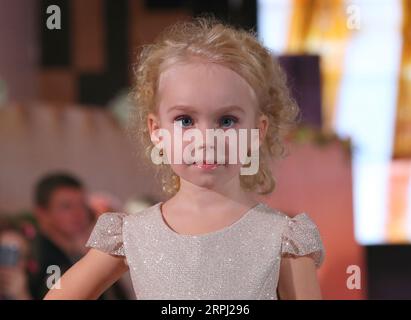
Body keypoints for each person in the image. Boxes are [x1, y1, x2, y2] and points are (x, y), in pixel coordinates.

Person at [44, 17, 325, 300]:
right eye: (185, 120)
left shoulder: (283, 239)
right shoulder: (133, 234)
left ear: (257, 131)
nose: (205, 139)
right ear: (157, 131)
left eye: (227, 121)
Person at [30, 172, 128, 299]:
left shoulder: (76, 251)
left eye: (82, 205)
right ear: (42, 213)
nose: (78, 213)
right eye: (66, 207)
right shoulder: (43, 260)